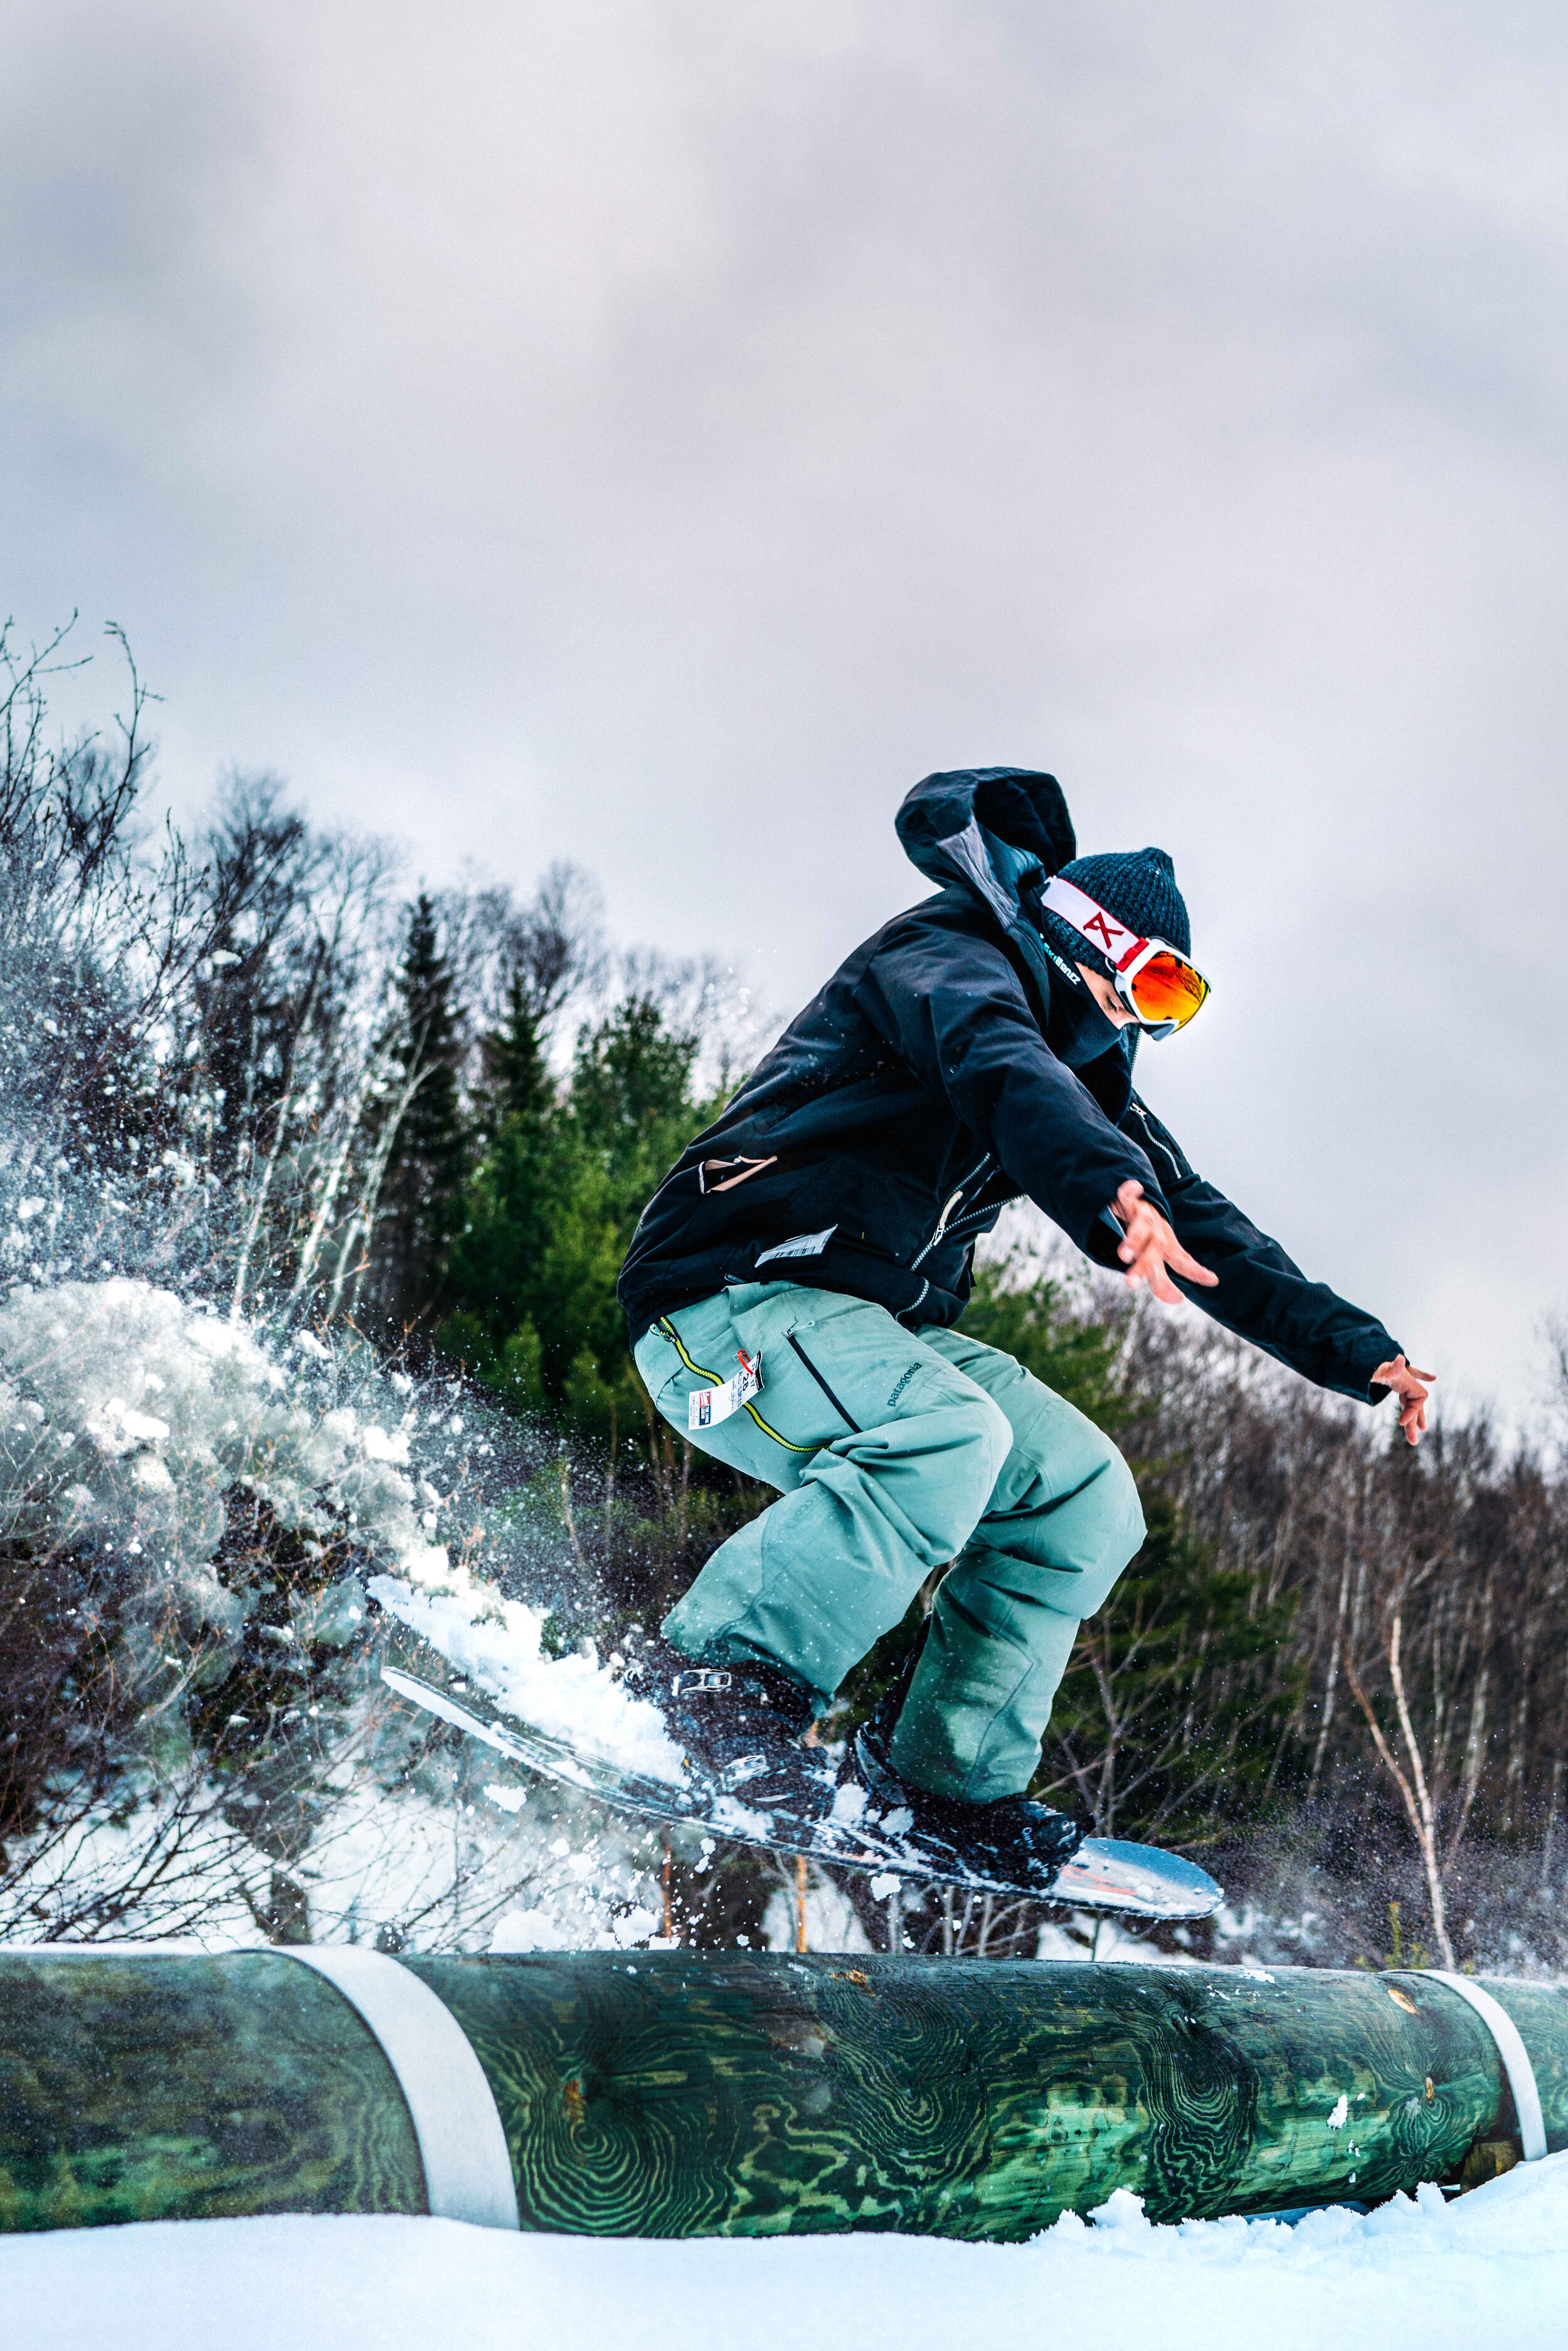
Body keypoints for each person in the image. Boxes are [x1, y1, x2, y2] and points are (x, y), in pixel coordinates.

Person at [617, 767, 1431, 1888]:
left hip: (863, 1332)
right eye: (1148, 979)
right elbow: (995, 1062)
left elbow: (1209, 1225)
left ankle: (940, 1782)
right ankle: (713, 1692)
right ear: (1085, 935)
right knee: (949, 1432)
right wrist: (1108, 1189)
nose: (1146, 1015)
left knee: (1084, 1495)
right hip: (721, 1302)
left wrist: (1356, 1351)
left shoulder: (1084, 1080)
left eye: (1176, 1003)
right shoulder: (947, 959)